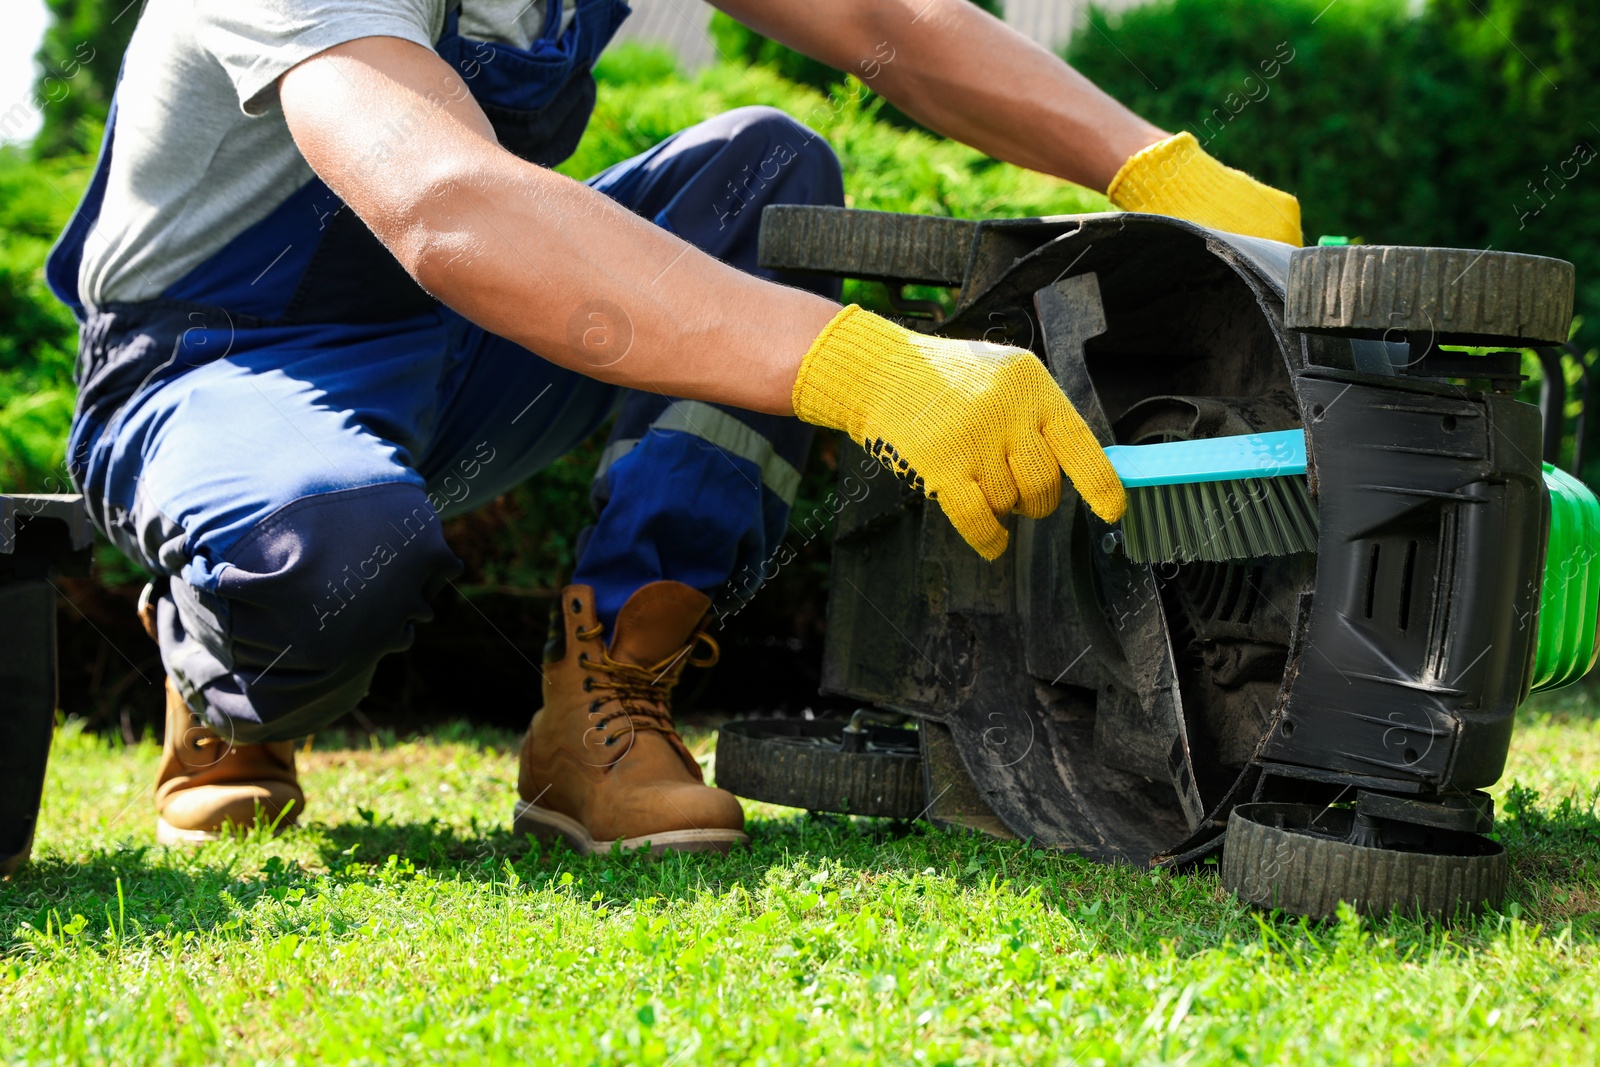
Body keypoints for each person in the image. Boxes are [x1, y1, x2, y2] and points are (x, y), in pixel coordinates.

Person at [47, 0, 1301, 852]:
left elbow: (885, 26)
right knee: (324, 550)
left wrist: (1154, 167)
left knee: (762, 169)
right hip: (220, 365)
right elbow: (441, 202)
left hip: (464, 334)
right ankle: (225, 670)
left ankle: (607, 692)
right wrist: (864, 369)